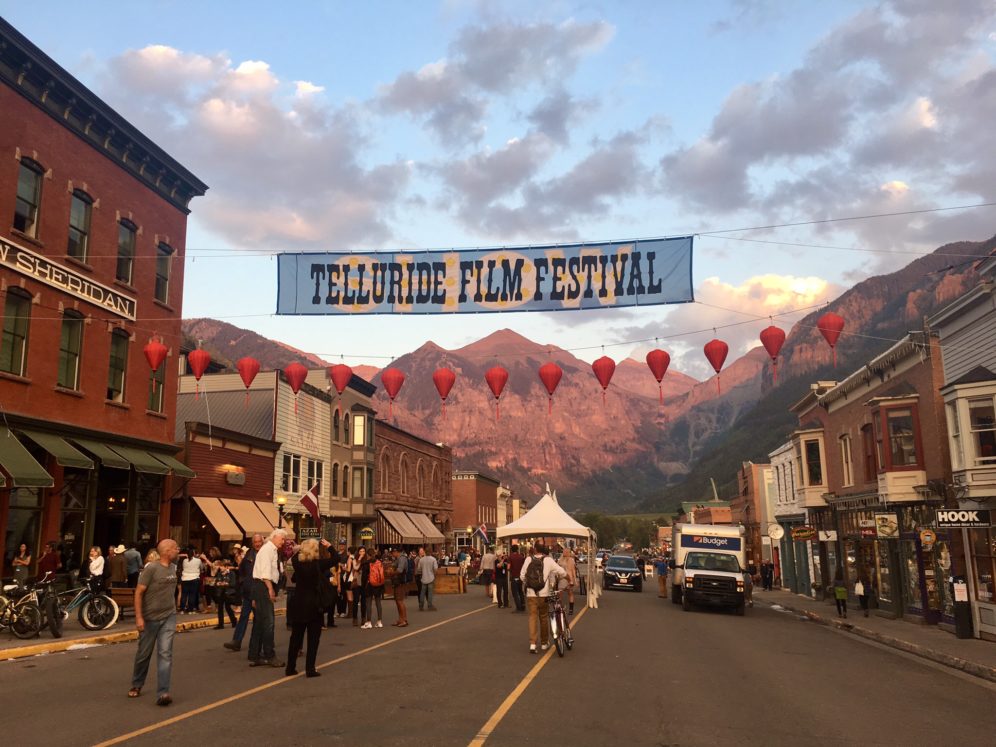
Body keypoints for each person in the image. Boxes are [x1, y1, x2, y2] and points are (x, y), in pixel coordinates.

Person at [129, 539, 179, 707]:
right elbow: (138, 593)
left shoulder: (173, 567)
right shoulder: (151, 569)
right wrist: (139, 617)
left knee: (165, 653)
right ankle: (137, 683)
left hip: (169, 616)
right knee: (144, 654)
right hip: (150, 618)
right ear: (167, 551)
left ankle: (163, 693)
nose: (178, 550)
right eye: (175, 548)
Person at [285, 538, 335, 677]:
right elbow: (336, 558)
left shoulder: (297, 563)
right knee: (313, 639)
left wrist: (301, 547)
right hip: (314, 605)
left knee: (295, 638)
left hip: (299, 603)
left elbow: (293, 555)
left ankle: (290, 668)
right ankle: (310, 669)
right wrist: (329, 546)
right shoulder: (318, 564)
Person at [248, 528, 286, 667]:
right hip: (263, 587)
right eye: (282, 539)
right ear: (275, 537)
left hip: (261, 587)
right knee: (269, 622)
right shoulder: (267, 550)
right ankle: (270, 655)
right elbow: (265, 573)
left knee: (259, 622)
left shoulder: (271, 550)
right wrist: (270, 589)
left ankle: (254, 654)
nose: (283, 542)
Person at [520, 542, 567, 654]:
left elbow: (522, 576)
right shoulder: (548, 560)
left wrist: (529, 584)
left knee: (532, 617)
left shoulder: (528, 559)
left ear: (535, 549)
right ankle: (544, 643)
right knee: (544, 617)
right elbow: (562, 572)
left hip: (531, 594)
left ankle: (532, 643)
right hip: (544, 594)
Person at [224, 533, 263, 652]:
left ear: (262, 542)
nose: (257, 544)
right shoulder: (249, 555)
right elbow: (242, 571)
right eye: (255, 542)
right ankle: (236, 641)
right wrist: (244, 583)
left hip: (259, 592)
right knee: (243, 617)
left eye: (259, 542)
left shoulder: (265, 554)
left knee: (259, 619)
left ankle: (256, 645)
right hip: (248, 591)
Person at [213, 559, 238, 629]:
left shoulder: (231, 573)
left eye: (222, 566)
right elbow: (216, 582)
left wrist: (226, 584)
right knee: (220, 608)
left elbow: (233, 584)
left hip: (228, 593)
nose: (220, 568)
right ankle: (220, 624)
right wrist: (217, 583)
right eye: (220, 566)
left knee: (228, 607)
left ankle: (234, 621)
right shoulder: (219, 574)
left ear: (226, 567)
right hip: (221, 592)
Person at [363, 549, 385, 629]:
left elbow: (364, 576)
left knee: (368, 603)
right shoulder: (379, 562)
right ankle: (379, 622)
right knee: (378, 602)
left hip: (369, 585)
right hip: (379, 585)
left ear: (368, 555)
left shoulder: (366, 563)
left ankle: (369, 622)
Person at [178, 547, 202, 614]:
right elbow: (201, 567)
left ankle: (182, 609)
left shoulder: (184, 560)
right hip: (194, 578)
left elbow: (183, 567)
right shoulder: (198, 560)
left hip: (185, 578)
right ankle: (190, 610)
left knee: (184, 594)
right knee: (192, 594)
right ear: (194, 553)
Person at [391, 548, 410, 627]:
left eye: (392, 553)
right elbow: (393, 565)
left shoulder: (402, 558)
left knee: (400, 601)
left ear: (396, 552)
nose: (392, 555)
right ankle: (400, 619)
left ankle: (404, 620)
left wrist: (391, 572)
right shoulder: (398, 558)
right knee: (397, 601)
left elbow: (400, 570)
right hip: (397, 581)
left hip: (400, 581)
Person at [351, 546, 368, 628]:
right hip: (357, 582)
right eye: (360, 551)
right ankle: (354, 618)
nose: (362, 553)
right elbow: (356, 567)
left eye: (363, 551)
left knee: (363, 602)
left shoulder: (367, 560)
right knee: (356, 601)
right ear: (358, 552)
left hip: (364, 583)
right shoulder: (355, 560)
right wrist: (360, 559)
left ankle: (363, 618)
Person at [417, 546, 438, 611]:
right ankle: (430, 605)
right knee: (430, 593)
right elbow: (435, 569)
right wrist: (434, 574)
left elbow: (419, 569)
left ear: (425, 552)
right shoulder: (433, 559)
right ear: (431, 552)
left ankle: (421, 606)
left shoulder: (421, 559)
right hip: (431, 577)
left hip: (423, 578)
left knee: (422, 593)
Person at [558, 547, 577, 616]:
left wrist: (574, 580)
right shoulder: (561, 559)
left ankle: (571, 610)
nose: (564, 552)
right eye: (563, 551)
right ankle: (560, 609)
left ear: (568, 552)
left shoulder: (571, 560)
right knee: (559, 593)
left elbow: (573, 570)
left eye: (565, 551)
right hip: (562, 578)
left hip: (569, 578)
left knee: (570, 593)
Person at [508, 544, 526, 612]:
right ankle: (523, 605)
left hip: (514, 576)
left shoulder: (510, 557)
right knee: (520, 591)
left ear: (512, 550)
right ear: (517, 549)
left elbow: (508, 567)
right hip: (520, 576)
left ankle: (518, 607)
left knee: (515, 593)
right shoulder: (521, 557)